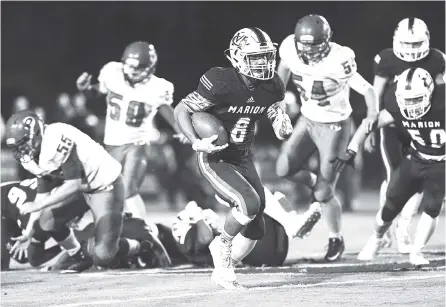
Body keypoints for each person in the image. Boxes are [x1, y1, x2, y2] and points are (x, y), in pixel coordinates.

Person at [174, 27, 298, 289]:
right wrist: (196, 141)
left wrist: (280, 118)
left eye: (266, 56)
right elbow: (181, 109)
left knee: (257, 227)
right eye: (256, 57)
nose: (263, 63)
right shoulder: (220, 81)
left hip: (242, 156)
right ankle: (222, 248)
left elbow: (274, 106)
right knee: (248, 204)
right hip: (216, 157)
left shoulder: (272, 84)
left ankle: (226, 264)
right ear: (238, 57)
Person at [4, 110, 164, 273]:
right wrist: (28, 232)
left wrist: (38, 205)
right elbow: (43, 192)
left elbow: (74, 184)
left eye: (23, 143)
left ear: (37, 134)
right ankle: (77, 253)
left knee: (102, 255)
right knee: (46, 220)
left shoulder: (56, 137)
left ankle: (142, 244)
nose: (21, 150)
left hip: (105, 186)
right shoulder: (32, 158)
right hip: (81, 189)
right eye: (17, 146)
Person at [275, 14, 379, 262]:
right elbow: (284, 68)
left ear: (326, 42)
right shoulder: (289, 46)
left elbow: (367, 88)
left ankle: (336, 238)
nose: (309, 53)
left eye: (315, 47)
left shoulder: (339, 58)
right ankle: (317, 182)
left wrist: (373, 114)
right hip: (306, 120)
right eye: (305, 47)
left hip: (335, 125)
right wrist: (278, 101)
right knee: (282, 169)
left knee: (324, 194)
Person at [332, 67, 445, 265]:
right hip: (416, 159)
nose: (410, 105)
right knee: (390, 206)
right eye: (406, 99)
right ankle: (376, 238)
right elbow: (371, 123)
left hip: (441, 163)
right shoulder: (395, 104)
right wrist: (352, 148)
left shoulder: (442, 102)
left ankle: (417, 252)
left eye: (415, 99)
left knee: (432, 206)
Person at [76, 41, 187, 220]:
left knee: (128, 190)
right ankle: (115, 226)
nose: (132, 71)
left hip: (137, 143)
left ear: (150, 68)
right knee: (107, 189)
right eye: (130, 66)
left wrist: (181, 129)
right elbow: (98, 91)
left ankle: (143, 229)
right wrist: (86, 90)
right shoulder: (112, 72)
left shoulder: (157, 87)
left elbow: (165, 108)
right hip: (111, 143)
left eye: (138, 68)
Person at [367, 17, 445, 253]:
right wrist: (372, 125)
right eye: (406, 44)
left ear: (427, 41)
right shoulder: (386, 59)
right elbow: (375, 94)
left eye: (416, 44)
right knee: (393, 181)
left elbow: (442, 95)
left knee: (417, 180)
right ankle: (385, 232)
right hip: (392, 125)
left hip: (422, 126)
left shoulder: (437, 59)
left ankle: (403, 229)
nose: (411, 50)